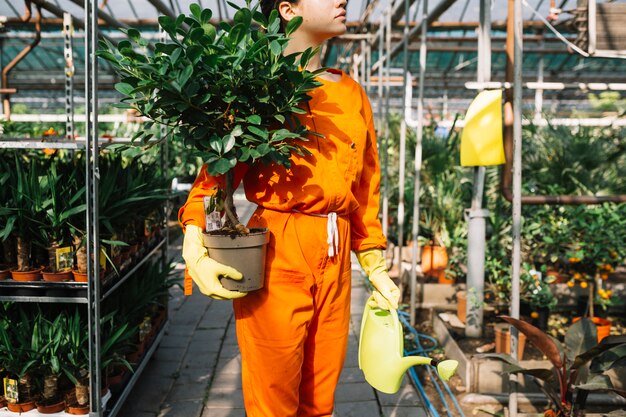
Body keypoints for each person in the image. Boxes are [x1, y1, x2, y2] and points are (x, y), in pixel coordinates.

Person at [178, 0, 400, 415]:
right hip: (279, 247)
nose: (342, 1)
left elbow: (366, 182)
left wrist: (373, 261)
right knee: (273, 394)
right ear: (286, 8)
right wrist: (195, 240)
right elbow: (217, 176)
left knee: (320, 396)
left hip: (336, 248)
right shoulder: (258, 90)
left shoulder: (350, 93)